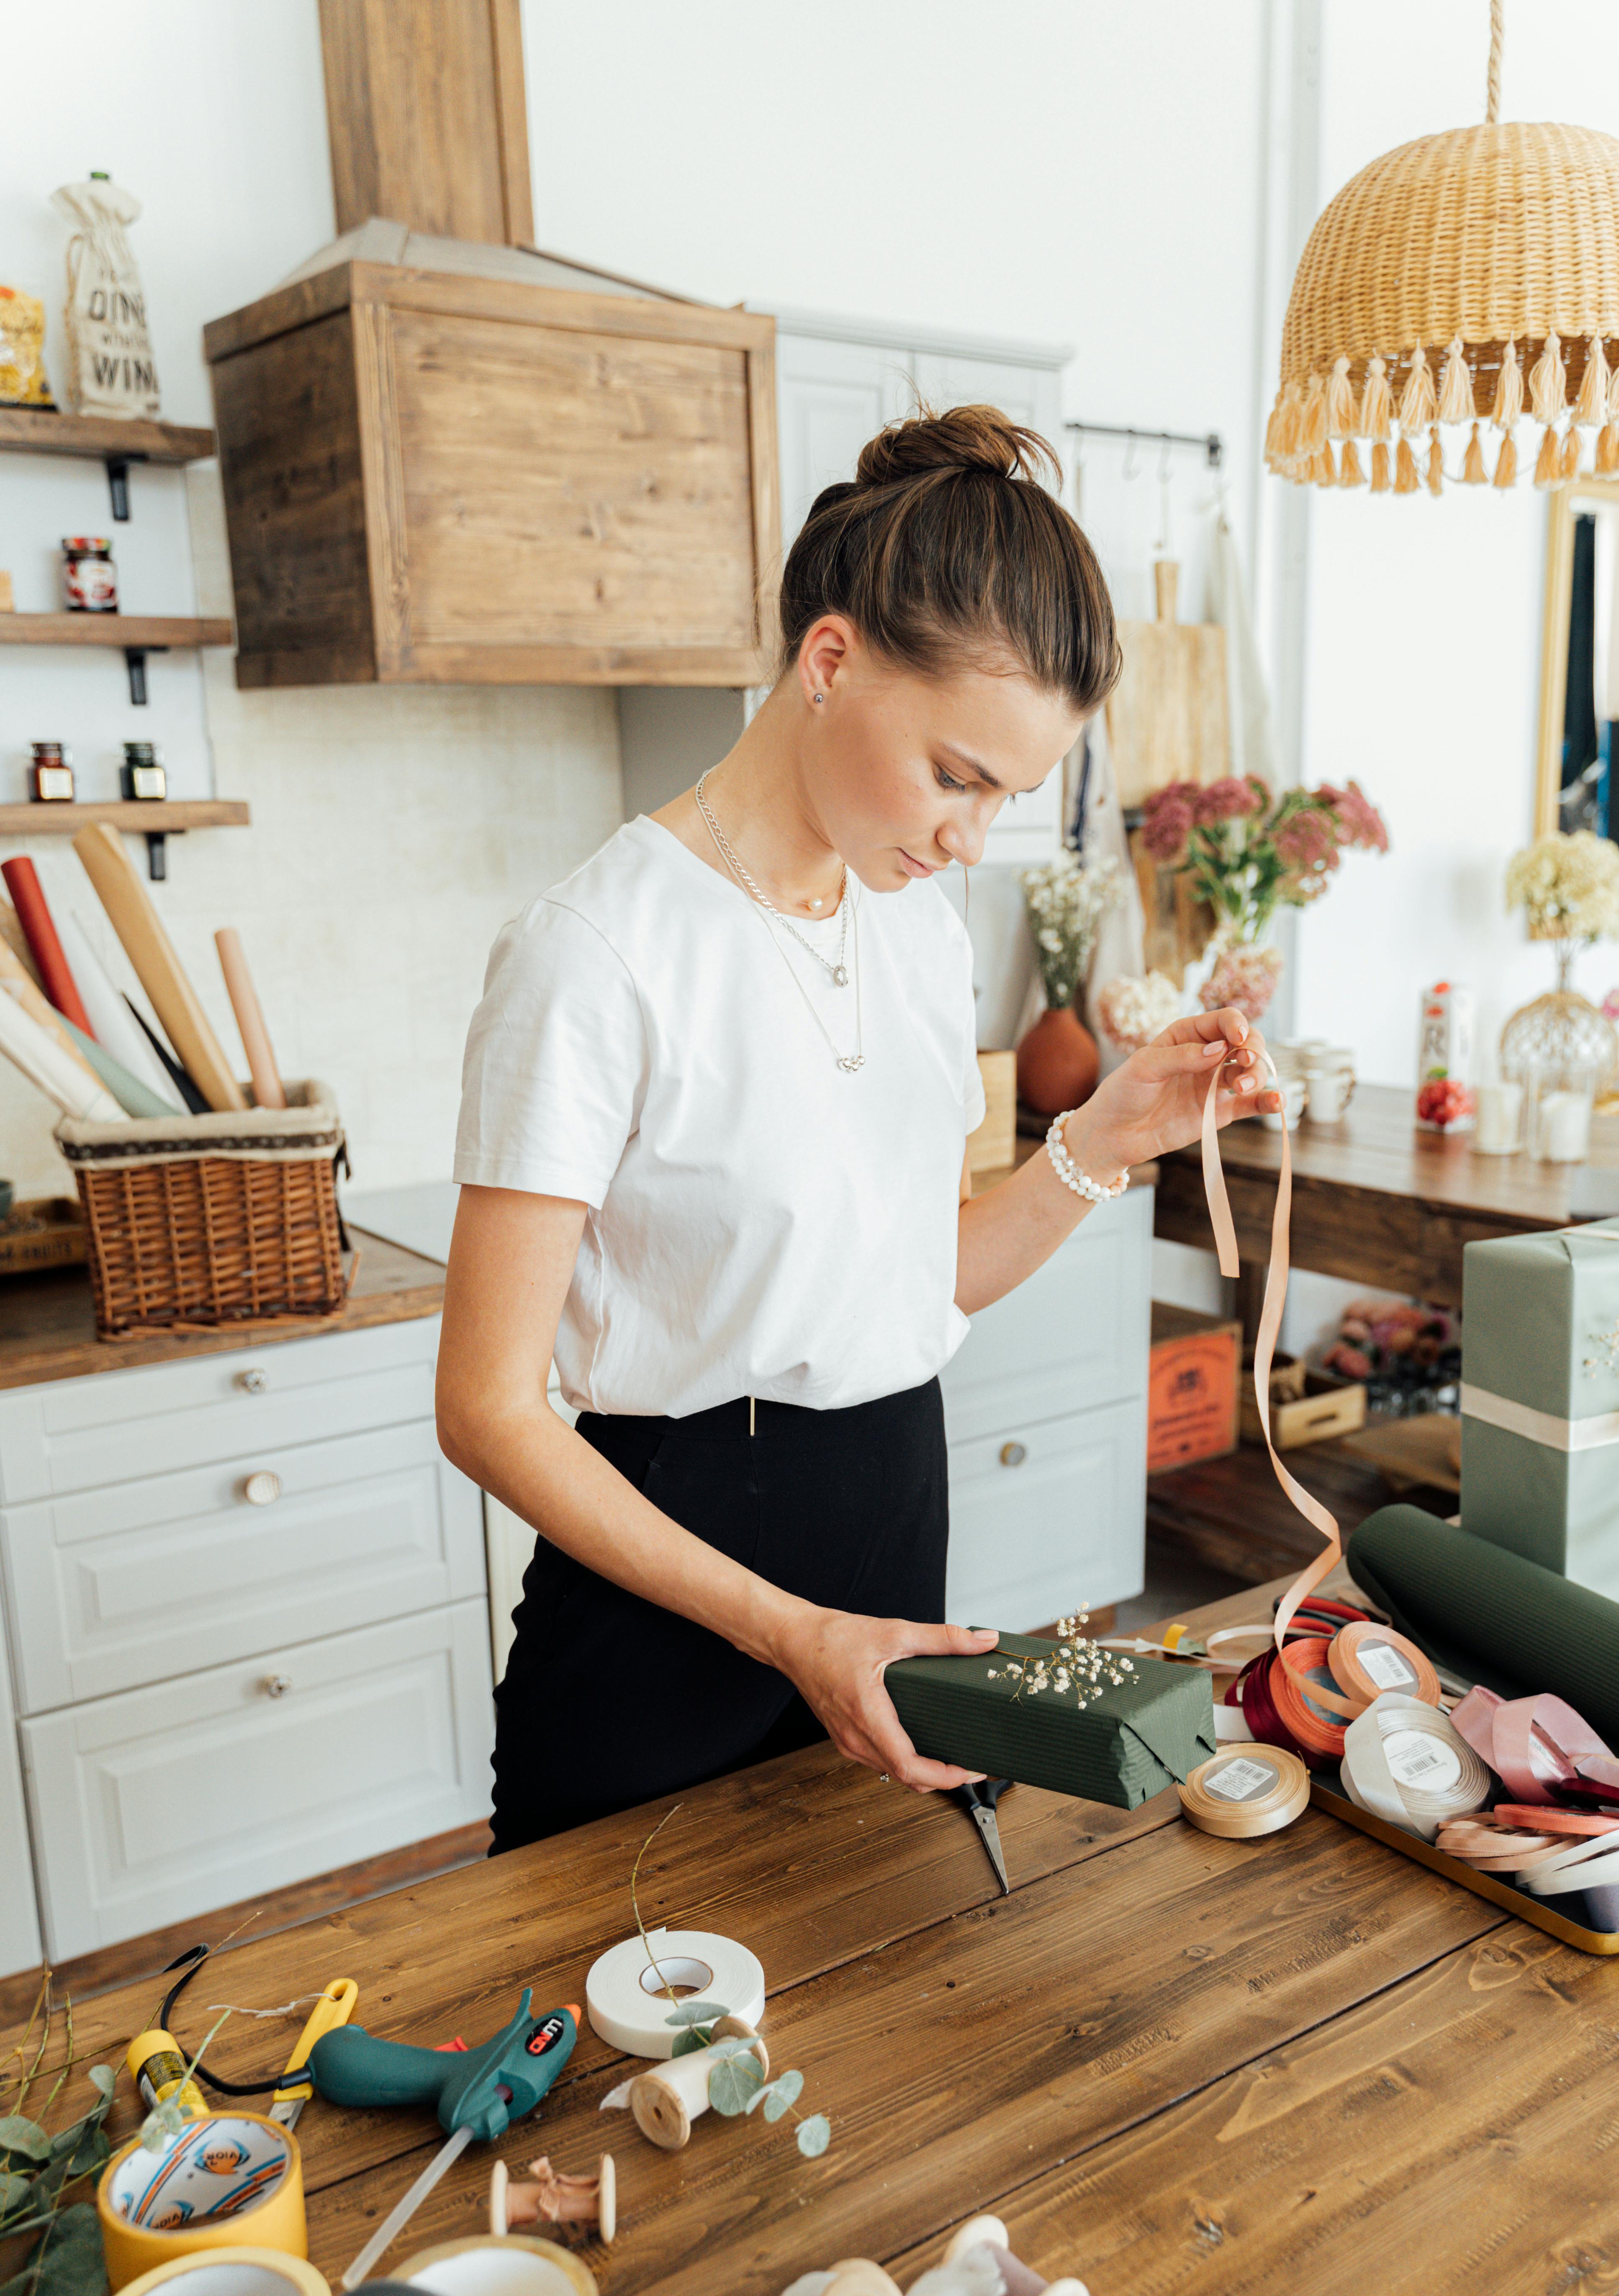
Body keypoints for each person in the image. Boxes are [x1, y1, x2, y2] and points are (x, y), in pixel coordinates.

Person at [437, 405, 1280, 1850]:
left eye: (1006, 798)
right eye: (958, 776)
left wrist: (1104, 1136)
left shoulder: (915, 933)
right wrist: (791, 1633)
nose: (970, 837)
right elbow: (490, 1409)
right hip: (671, 1606)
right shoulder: (597, 950)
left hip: (892, 1542)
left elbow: (911, 1280)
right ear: (830, 661)